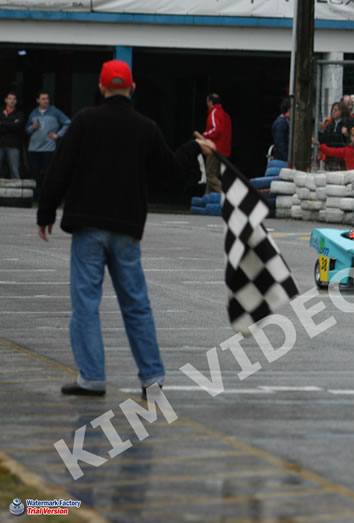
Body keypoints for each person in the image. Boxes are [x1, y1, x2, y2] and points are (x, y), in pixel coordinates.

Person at [36, 59, 215, 398]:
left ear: (102, 89)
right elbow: (172, 171)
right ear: (132, 89)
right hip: (127, 229)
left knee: (86, 303)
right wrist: (195, 147)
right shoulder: (145, 127)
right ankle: (151, 378)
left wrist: (45, 211)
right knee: (136, 303)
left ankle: (91, 378)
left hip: (88, 227)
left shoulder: (84, 122)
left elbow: (59, 169)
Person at [26, 90, 71, 198]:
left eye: (47, 98)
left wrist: (58, 135)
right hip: (34, 148)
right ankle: (36, 197)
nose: (46, 101)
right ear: (38, 100)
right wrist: (33, 127)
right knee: (35, 174)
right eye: (43, 99)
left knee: (48, 173)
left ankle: (47, 196)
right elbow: (26, 130)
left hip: (48, 148)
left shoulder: (55, 111)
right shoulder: (33, 113)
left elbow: (68, 122)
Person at [200, 92, 232, 195]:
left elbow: (216, 129)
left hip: (214, 149)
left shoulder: (214, 113)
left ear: (210, 102)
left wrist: (204, 135)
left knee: (210, 175)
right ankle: (207, 199)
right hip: (224, 150)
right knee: (213, 176)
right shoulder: (225, 115)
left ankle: (226, 196)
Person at [318, 102, 352, 171]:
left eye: (336, 110)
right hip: (330, 157)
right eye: (333, 110)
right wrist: (320, 131)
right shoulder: (329, 124)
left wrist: (346, 134)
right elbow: (324, 140)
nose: (333, 112)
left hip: (341, 158)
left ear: (342, 112)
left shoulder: (347, 123)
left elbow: (351, 141)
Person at [0, 91, 25, 179]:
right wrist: (11, 123)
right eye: (10, 98)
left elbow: (17, 127)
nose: (12, 101)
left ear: (16, 101)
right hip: (0, 144)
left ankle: (16, 192)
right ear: (5, 100)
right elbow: (13, 126)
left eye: (14, 99)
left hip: (13, 145)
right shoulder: (0, 112)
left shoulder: (20, 114)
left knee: (15, 171)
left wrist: (2, 123)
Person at [271, 98, 291, 162]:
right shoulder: (281, 123)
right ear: (289, 109)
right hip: (281, 160)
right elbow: (280, 144)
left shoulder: (286, 121)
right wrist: (288, 159)